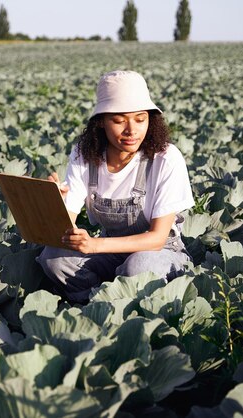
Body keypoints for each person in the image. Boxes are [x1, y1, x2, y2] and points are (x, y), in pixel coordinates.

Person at [36, 70, 194, 304]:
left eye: (140, 119)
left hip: (161, 254)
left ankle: (124, 302)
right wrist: (55, 204)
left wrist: (95, 244)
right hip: (109, 252)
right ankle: (93, 306)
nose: (132, 130)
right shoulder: (84, 155)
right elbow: (64, 229)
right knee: (53, 258)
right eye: (119, 121)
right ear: (101, 122)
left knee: (139, 266)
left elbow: (157, 238)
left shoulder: (166, 158)